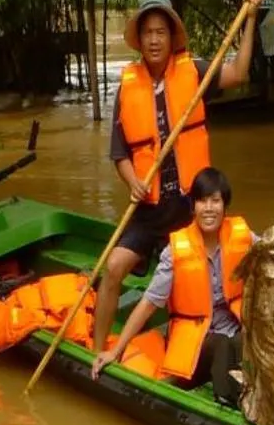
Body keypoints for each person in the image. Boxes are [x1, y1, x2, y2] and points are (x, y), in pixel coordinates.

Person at [91, 0, 258, 356]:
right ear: (140, 40)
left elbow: (239, 73)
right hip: (148, 210)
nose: (154, 40)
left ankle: (198, 344)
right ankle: (97, 353)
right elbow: (120, 153)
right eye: (148, 33)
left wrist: (249, 18)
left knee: (191, 282)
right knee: (113, 268)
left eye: (160, 32)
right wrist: (133, 182)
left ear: (171, 37)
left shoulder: (193, 71)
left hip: (186, 209)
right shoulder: (128, 85)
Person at [93, 166, 251, 408]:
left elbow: (273, 256)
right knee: (221, 344)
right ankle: (229, 399)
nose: (209, 208)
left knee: (245, 339)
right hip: (196, 342)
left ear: (224, 205)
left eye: (215, 201)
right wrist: (115, 351)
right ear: (193, 207)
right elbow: (148, 304)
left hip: (233, 332)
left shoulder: (242, 236)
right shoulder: (175, 251)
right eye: (202, 201)